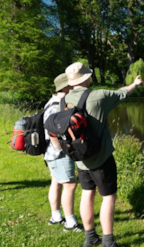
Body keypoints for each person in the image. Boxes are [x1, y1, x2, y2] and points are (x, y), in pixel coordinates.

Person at [64, 62, 143, 247]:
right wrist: (135, 84)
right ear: (87, 78)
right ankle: (108, 242)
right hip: (101, 158)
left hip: (81, 158)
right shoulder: (98, 96)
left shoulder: (64, 100)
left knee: (86, 194)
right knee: (108, 197)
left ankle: (90, 238)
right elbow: (122, 93)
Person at [43, 73, 84, 232]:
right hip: (59, 154)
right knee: (70, 185)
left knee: (56, 182)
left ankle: (56, 216)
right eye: (71, 84)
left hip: (51, 154)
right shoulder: (56, 106)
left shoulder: (54, 102)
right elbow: (52, 134)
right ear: (65, 87)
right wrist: (67, 150)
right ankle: (70, 222)